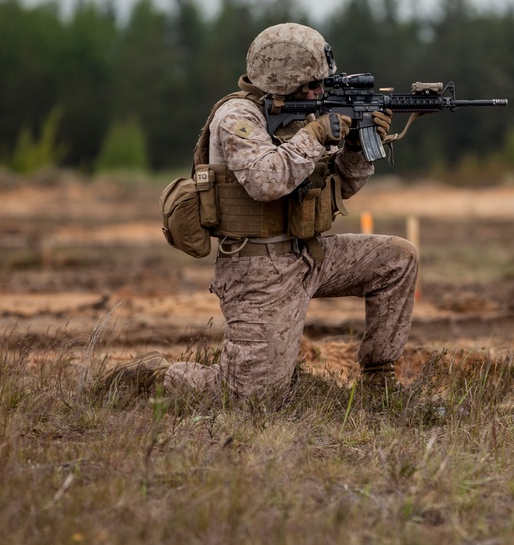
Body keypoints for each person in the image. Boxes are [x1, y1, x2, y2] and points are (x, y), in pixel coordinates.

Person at [103, 23, 418, 400]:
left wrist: (359, 146)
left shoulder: (304, 115)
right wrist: (315, 135)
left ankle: (378, 382)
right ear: (284, 79)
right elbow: (266, 181)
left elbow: (341, 187)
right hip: (258, 270)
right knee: (250, 398)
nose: (321, 91)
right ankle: (152, 378)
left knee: (397, 259)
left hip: (309, 254)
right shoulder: (237, 119)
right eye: (314, 84)